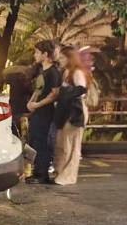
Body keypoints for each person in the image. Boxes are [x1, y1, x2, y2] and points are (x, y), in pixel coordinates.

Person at [26, 40, 61, 184]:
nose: (35, 55)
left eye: (37, 52)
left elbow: (54, 94)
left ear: (45, 54)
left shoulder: (53, 72)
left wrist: (38, 104)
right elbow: (38, 90)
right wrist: (31, 103)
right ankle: (37, 171)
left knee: (41, 142)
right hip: (37, 111)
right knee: (34, 140)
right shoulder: (43, 71)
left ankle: (42, 174)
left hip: (45, 112)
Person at [53, 47, 90, 185]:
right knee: (62, 143)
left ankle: (68, 176)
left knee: (71, 145)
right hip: (65, 112)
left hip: (74, 112)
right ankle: (61, 173)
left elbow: (81, 90)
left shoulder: (76, 72)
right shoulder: (66, 72)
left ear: (69, 58)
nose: (60, 60)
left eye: (63, 58)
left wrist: (64, 92)